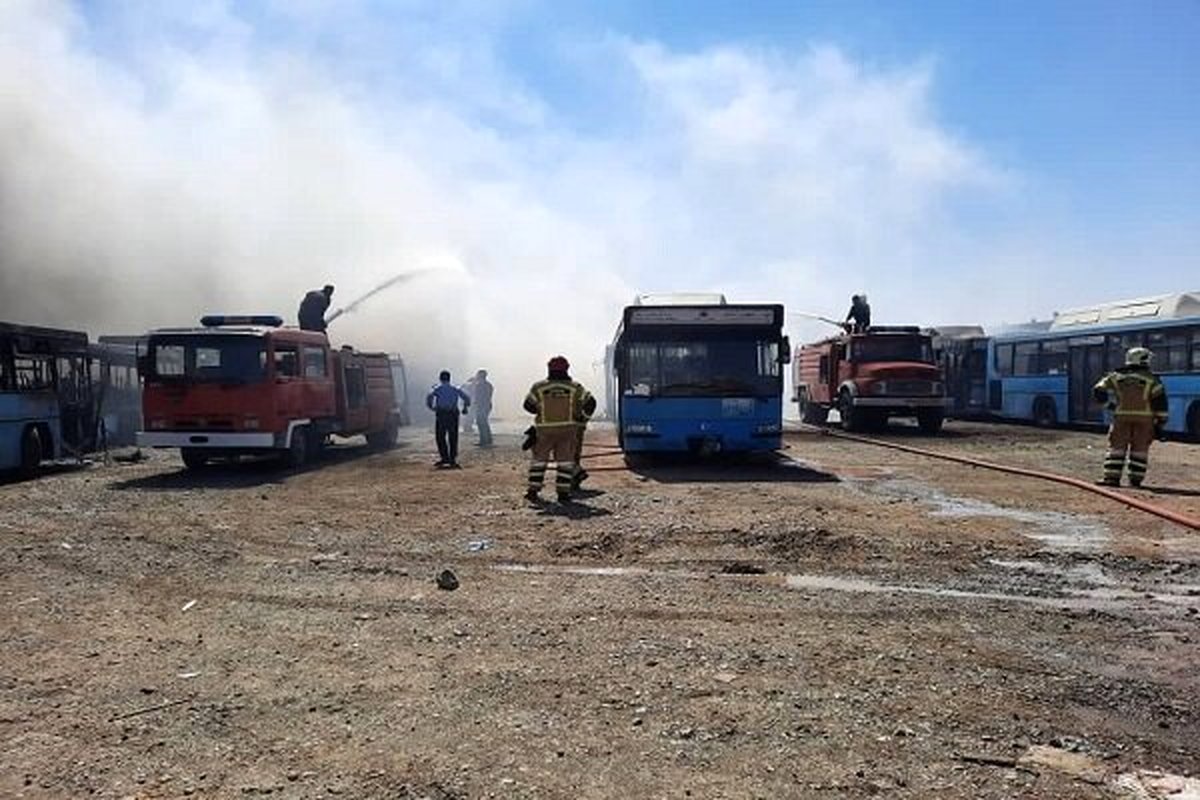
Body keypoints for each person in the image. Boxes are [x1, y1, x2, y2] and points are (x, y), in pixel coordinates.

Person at [1093, 347, 1168, 487]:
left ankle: (1111, 479)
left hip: (1121, 418)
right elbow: (1160, 402)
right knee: (1140, 450)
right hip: (1145, 420)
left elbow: (1098, 390)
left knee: (1116, 448)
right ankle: (1135, 480)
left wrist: (1109, 406)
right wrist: (1161, 422)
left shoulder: (1115, 376)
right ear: (1143, 360)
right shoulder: (1152, 379)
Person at [524, 356, 596, 503]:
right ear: (567, 369)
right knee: (565, 463)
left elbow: (527, 405)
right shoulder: (575, 388)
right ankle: (563, 494)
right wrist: (582, 418)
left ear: (549, 369)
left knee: (538, 461)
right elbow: (591, 402)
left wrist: (541, 410)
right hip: (568, 431)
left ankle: (533, 492)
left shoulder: (539, 387)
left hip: (544, 431)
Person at [426, 370, 470, 468]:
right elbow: (467, 398)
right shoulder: (455, 388)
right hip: (453, 414)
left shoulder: (437, 388)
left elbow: (429, 396)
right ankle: (452, 459)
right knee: (453, 436)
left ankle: (444, 457)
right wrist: (465, 407)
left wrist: (431, 407)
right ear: (449, 378)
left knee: (440, 436)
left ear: (440, 378)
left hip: (442, 414)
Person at [472, 369, 494, 447]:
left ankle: (483, 440)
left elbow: (478, 396)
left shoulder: (479, 385)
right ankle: (488, 439)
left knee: (481, 422)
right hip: (487, 405)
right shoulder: (489, 385)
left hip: (482, 405)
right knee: (484, 422)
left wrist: (476, 403)